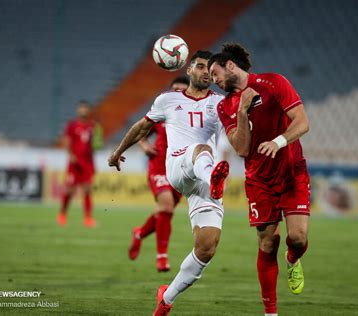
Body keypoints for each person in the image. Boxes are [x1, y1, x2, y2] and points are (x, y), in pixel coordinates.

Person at [108, 51, 229, 316]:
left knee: (207, 247)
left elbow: (234, 138)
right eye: (199, 66)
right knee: (200, 149)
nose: (205, 72)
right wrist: (117, 152)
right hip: (179, 166)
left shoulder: (221, 104)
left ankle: (166, 299)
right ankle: (214, 178)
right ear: (189, 70)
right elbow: (142, 127)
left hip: (205, 180)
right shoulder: (168, 100)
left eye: (209, 68)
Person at [209, 44, 311, 316]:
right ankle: (270, 313)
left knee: (298, 238)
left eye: (215, 73)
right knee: (267, 243)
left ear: (230, 65)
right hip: (259, 181)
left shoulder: (274, 82)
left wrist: (278, 142)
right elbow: (241, 149)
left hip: (292, 172)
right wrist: (242, 112)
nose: (214, 80)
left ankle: (293, 259)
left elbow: (302, 122)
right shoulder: (225, 106)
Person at [129, 76, 189, 272]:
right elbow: (141, 133)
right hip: (159, 167)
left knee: (164, 212)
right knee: (167, 207)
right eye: (175, 89)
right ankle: (162, 257)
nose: (178, 92)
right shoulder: (161, 112)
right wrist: (145, 145)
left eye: (182, 90)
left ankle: (139, 234)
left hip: (181, 170)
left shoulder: (192, 115)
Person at [58, 100, 103, 228]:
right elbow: (67, 140)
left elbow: (96, 144)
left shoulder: (92, 126)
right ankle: (62, 214)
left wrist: (98, 139)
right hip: (74, 162)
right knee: (70, 190)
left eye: (85, 108)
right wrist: (70, 155)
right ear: (78, 110)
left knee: (87, 190)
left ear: (88, 111)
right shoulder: (72, 125)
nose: (83, 110)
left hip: (88, 162)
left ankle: (88, 218)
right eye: (81, 108)